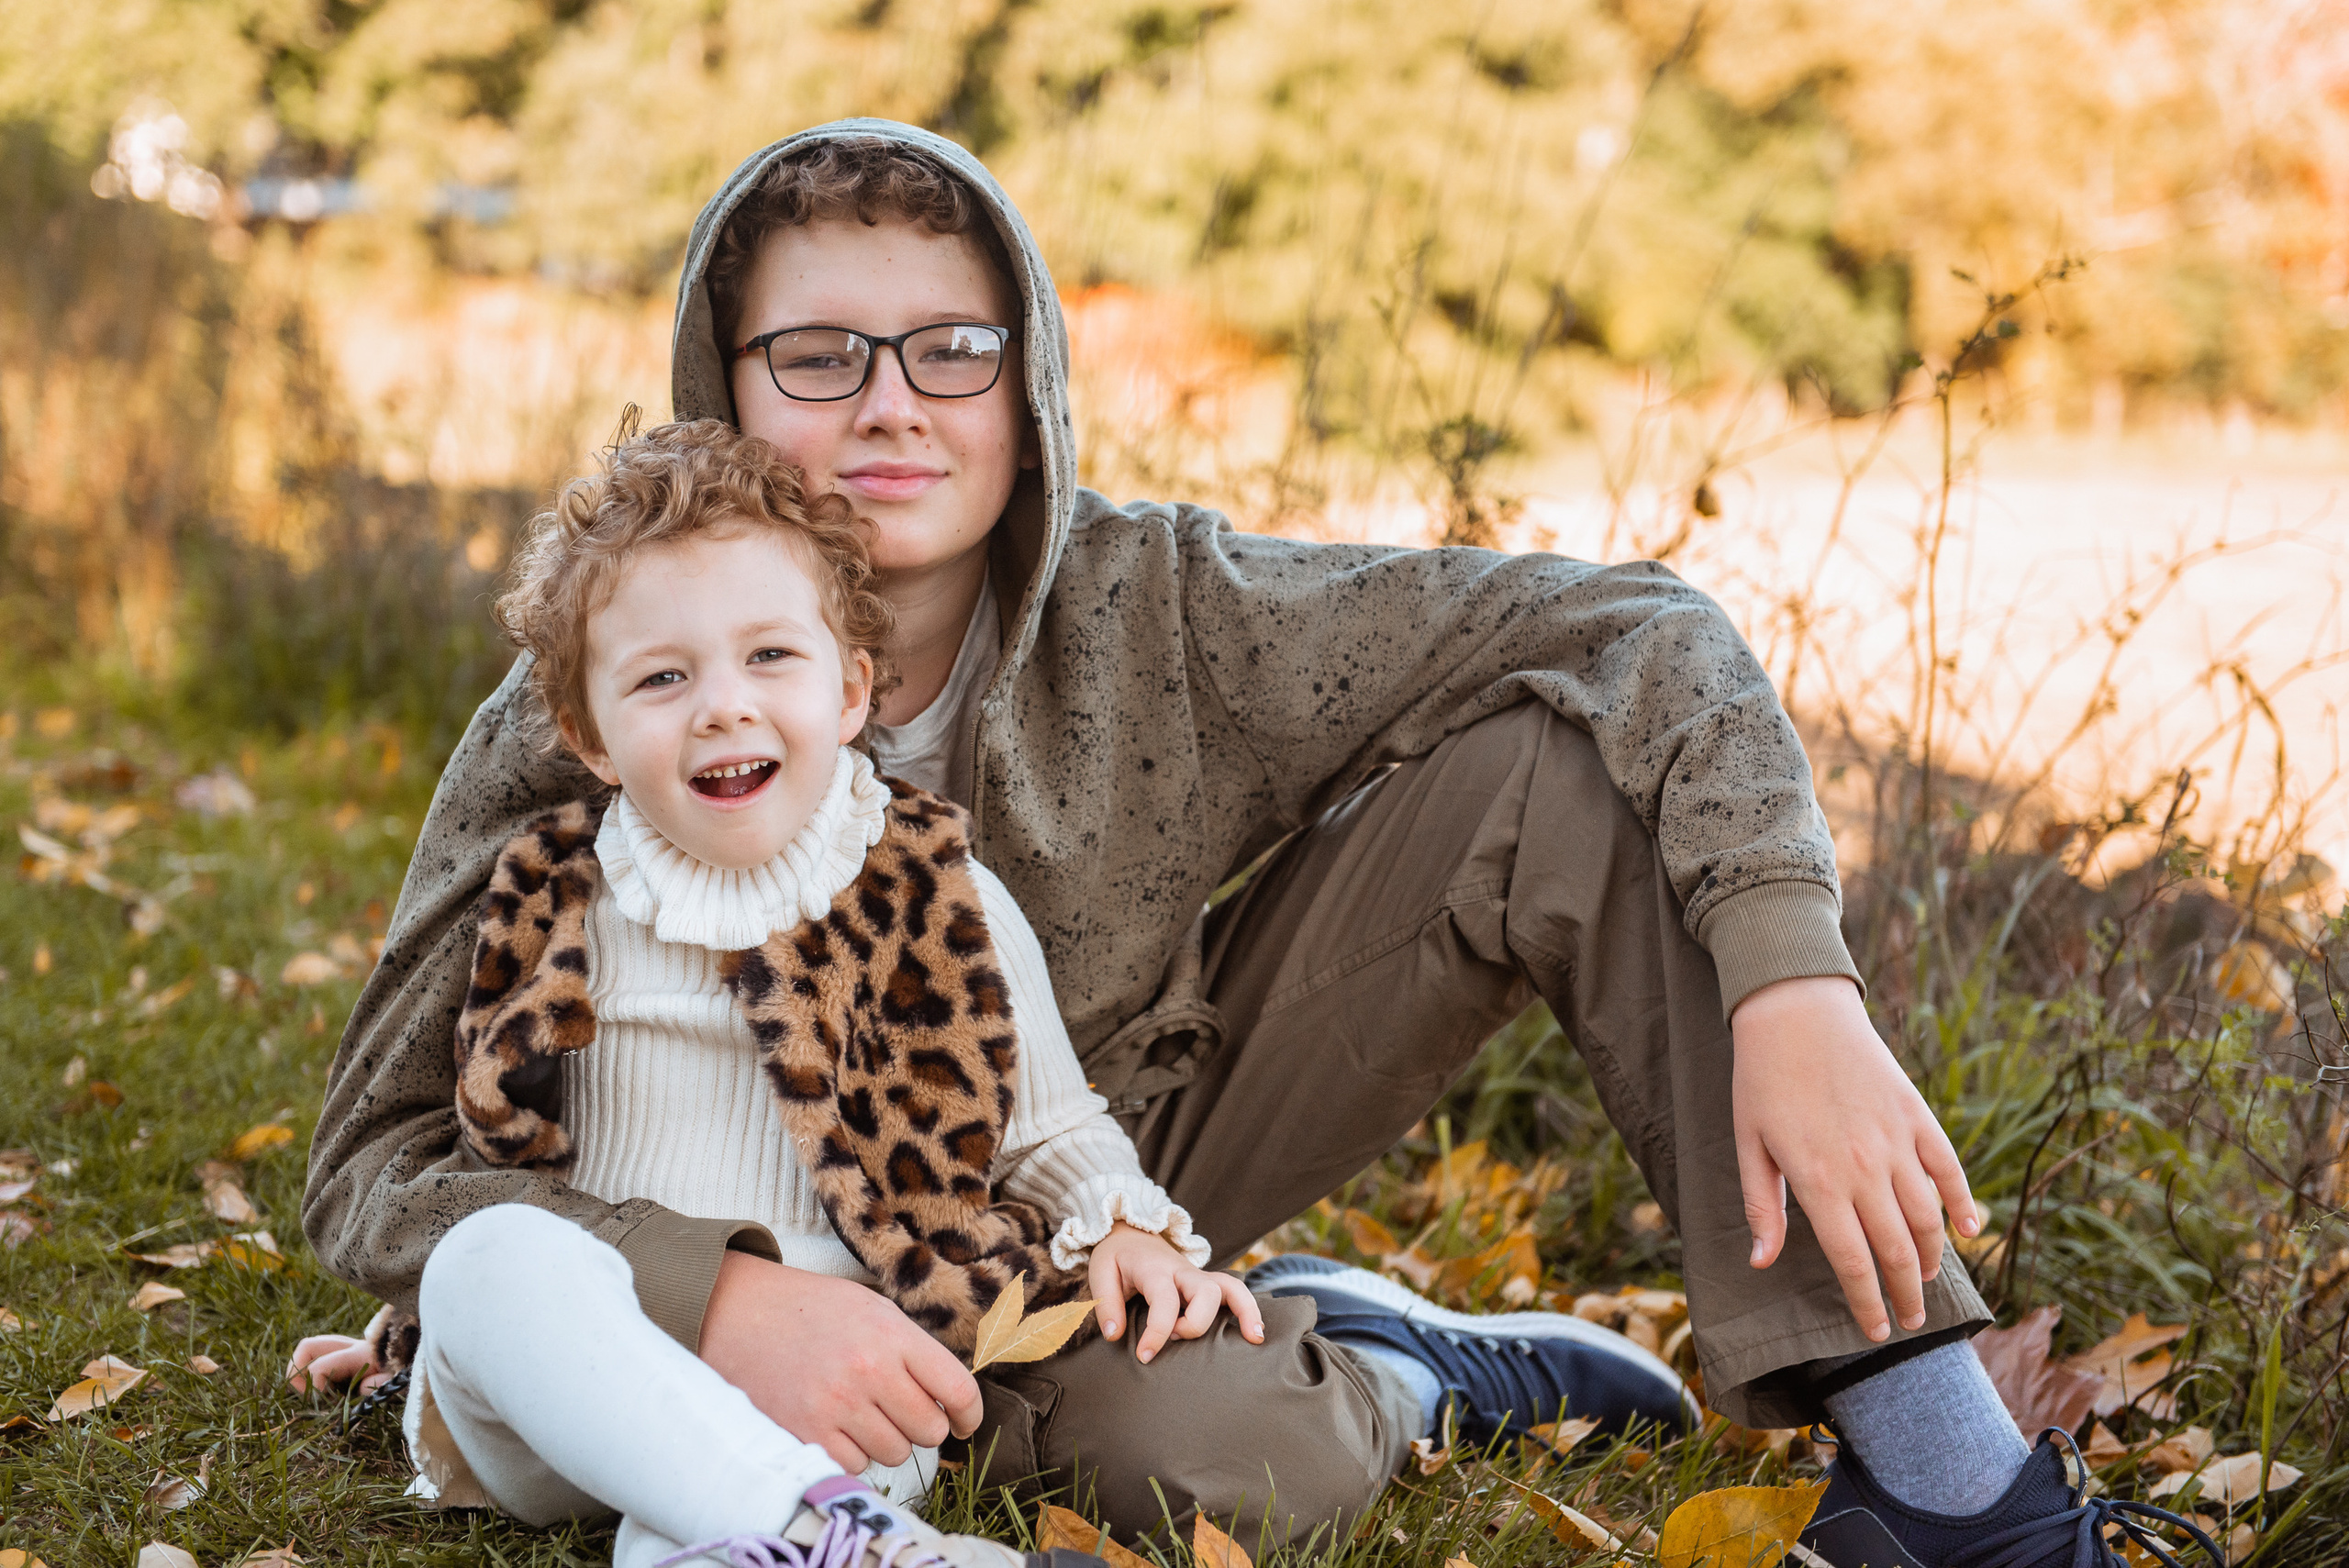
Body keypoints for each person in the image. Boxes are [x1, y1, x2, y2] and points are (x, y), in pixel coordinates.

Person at [304, 121, 2221, 1568]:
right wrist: (699, 1290)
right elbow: (371, 1159)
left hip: (1114, 1173)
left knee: (1553, 767)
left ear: (1025, 379)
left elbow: (1641, 629)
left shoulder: (1166, 604)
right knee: (1226, 1473)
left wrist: (1790, 967)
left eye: (948, 349)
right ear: (722, 384)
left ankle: (1945, 1480)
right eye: (815, 357)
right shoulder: (592, 707)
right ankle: (1381, 1364)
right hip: (794, 1254)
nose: (888, 404)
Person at [288, 417, 1694, 1565]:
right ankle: (859, 1546)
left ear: (850, 689)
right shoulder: (555, 886)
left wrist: (1125, 1223)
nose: (722, 703)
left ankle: (827, 1538)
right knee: (491, 1262)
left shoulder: (922, 880)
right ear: (588, 734)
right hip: (566, 1413)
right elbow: (500, 1145)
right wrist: (421, 1323)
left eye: (769, 658)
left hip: (851, 1403)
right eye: (662, 677)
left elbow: (1048, 1115)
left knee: (694, 1546)